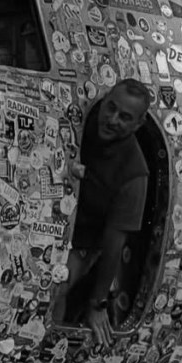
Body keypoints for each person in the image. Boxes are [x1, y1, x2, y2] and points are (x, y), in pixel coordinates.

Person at [52, 79, 151, 346]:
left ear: (138, 124)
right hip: (52, 217)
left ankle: (47, 350)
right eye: (111, 108)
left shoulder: (134, 175)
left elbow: (113, 244)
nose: (112, 119)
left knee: (56, 286)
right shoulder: (82, 119)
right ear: (104, 100)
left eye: (125, 117)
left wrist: (98, 303)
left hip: (84, 241)